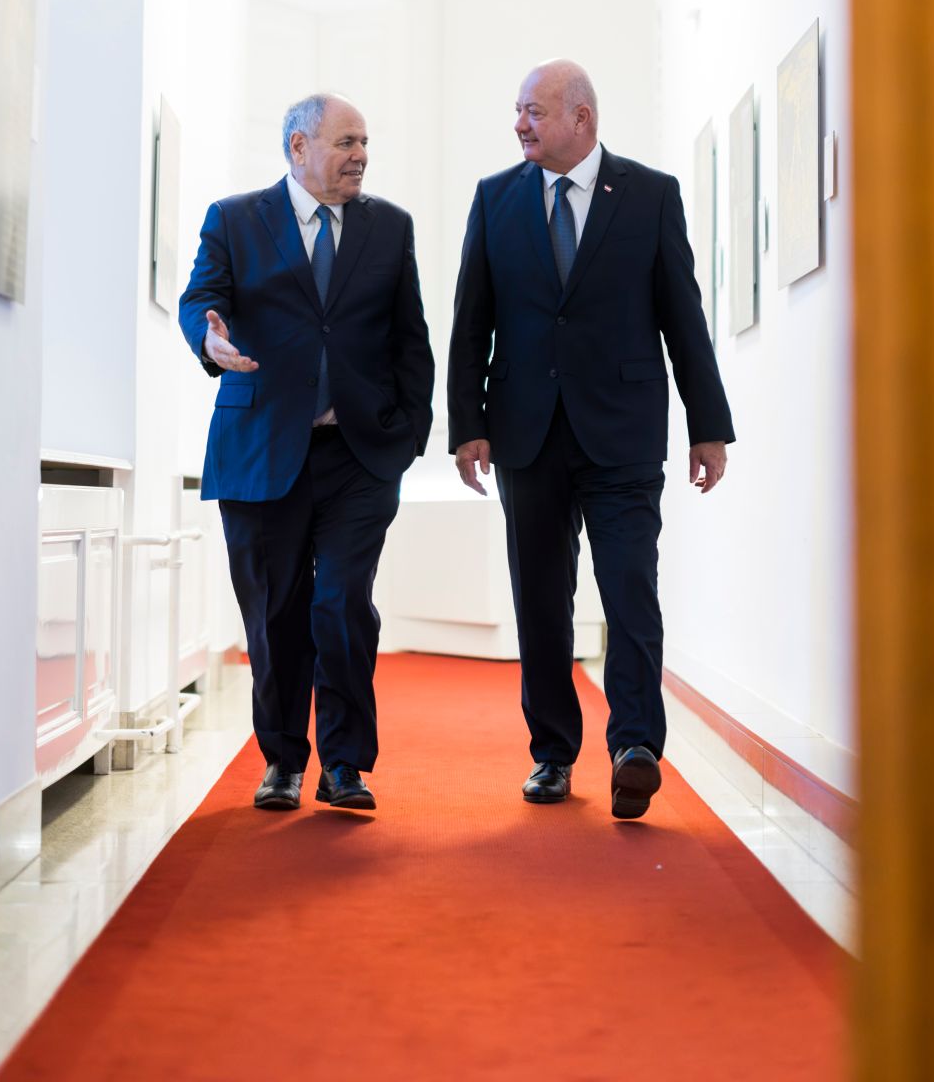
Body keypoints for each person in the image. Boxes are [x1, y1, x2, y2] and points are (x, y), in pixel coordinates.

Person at [448, 60, 734, 820]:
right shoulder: (494, 199)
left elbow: (683, 317)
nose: (519, 125)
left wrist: (708, 426)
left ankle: (635, 746)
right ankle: (552, 753)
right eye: (516, 111)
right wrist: (467, 425)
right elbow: (470, 320)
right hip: (525, 432)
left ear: (582, 118)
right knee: (541, 599)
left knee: (628, 589)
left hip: (624, 433)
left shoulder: (649, 195)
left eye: (533, 111)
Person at [179, 93, 434, 814]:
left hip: (358, 453)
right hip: (262, 450)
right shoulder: (235, 218)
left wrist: (410, 433)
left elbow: (409, 338)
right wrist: (210, 338)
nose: (359, 155)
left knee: (342, 603)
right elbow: (200, 296)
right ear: (297, 147)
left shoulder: (389, 227)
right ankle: (283, 759)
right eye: (345, 141)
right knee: (275, 613)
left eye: (364, 142)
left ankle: (345, 764)